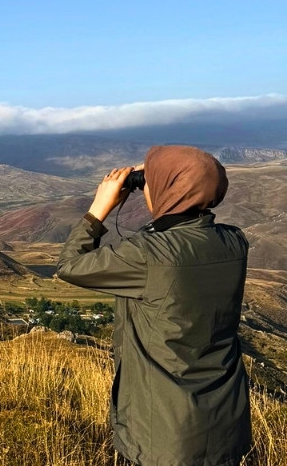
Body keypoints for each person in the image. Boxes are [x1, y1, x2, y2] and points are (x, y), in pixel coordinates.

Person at [56, 145, 251, 466]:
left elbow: (70, 266)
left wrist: (97, 211)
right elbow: (178, 236)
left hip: (165, 433)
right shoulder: (234, 241)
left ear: (169, 190)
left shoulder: (150, 255)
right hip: (226, 421)